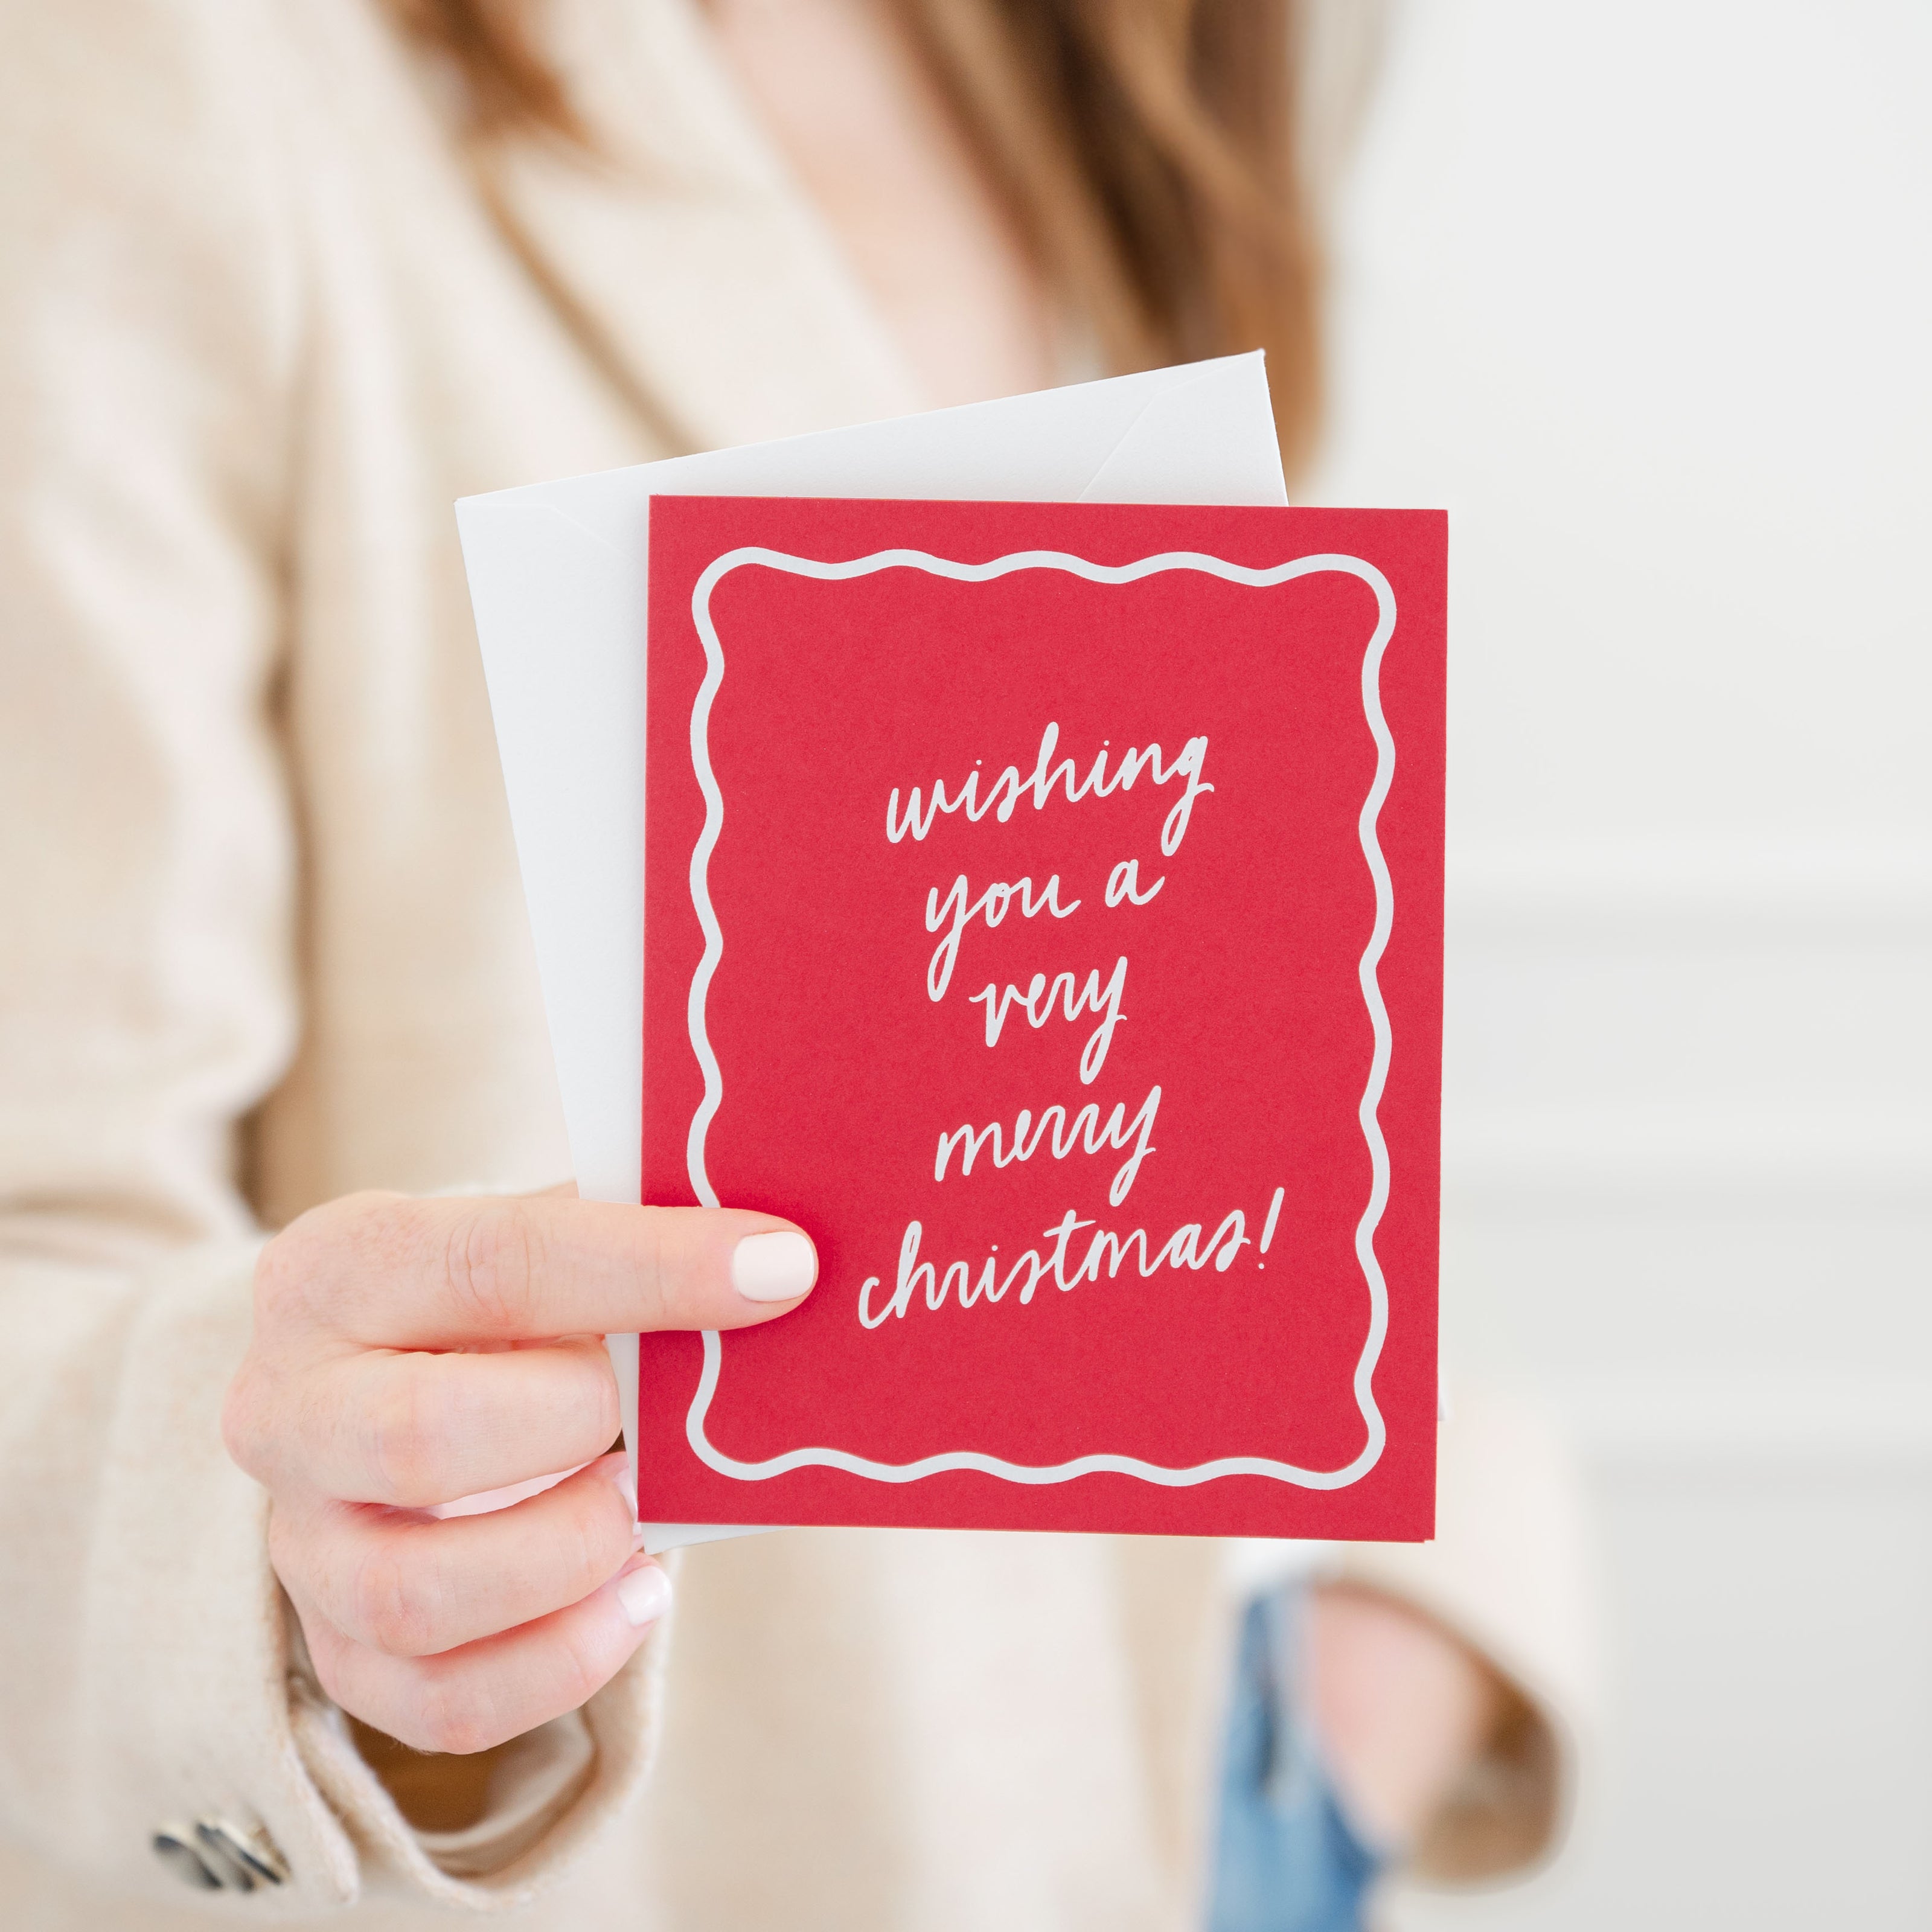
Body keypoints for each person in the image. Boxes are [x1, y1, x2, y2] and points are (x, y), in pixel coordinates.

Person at [0, 2, 1593, 1925]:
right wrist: (300, 1581)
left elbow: (1201, 950)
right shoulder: (172, 71)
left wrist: (1419, 1632)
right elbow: (40, 1223)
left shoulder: (1119, 51)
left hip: (1235, 1781)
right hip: (699, 1842)